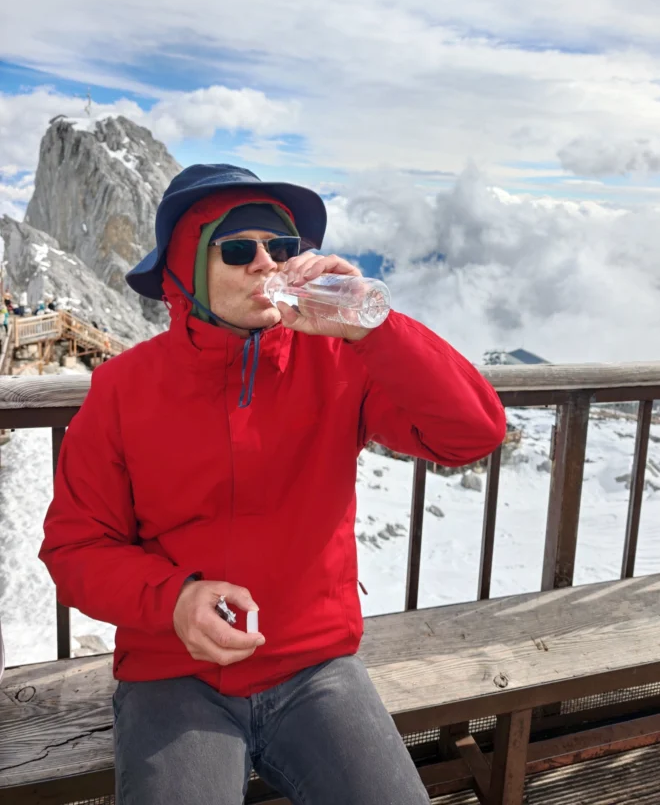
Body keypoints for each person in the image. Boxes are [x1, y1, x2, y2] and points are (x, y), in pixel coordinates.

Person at [40, 163, 506, 805]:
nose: (266, 264)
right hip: (174, 672)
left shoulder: (339, 358)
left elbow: (472, 434)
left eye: (281, 248)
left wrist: (374, 327)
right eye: (238, 250)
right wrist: (174, 601)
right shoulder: (123, 388)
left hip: (315, 665)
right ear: (186, 271)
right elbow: (75, 549)